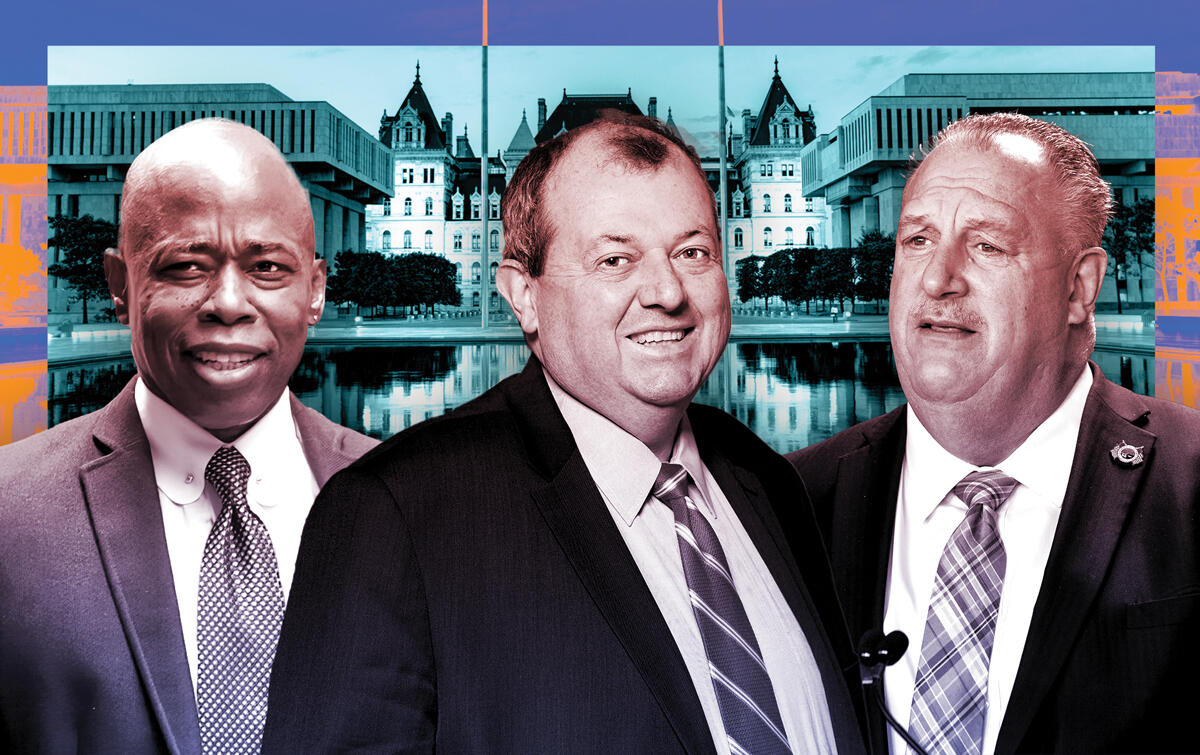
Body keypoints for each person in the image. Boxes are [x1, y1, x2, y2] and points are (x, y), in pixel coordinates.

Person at [264, 112, 866, 754]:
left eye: (692, 252)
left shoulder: (768, 480)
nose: (666, 290)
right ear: (523, 294)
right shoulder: (395, 515)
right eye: (615, 258)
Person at [789, 112, 1200, 755]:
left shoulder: (1191, 480)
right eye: (917, 240)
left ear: (1079, 288)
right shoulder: (793, 502)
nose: (937, 279)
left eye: (986, 245)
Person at [0, 119, 377, 754]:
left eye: (267, 267)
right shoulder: (9, 513)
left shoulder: (418, 503)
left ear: (315, 290)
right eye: (185, 266)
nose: (228, 302)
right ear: (120, 286)